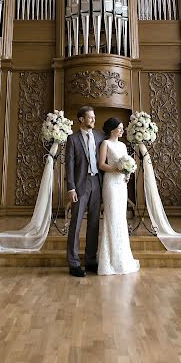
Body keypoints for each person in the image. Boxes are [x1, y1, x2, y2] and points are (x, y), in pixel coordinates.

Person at [97, 117, 140, 276]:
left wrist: (127, 173)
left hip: (122, 184)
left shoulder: (122, 145)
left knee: (121, 218)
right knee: (112, 217)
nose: (122, 130)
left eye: (122, 128)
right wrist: (117, 170)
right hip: (111, 184)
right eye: (120, 128)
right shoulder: (105, 144)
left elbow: (126, 163)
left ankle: (122, 257)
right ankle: (109, 260)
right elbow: (101, 164)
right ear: (111, 129)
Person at [65, 106, 105, 277]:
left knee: (94, 224)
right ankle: (73, 263)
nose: (93, 120)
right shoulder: (72, 139)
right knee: (75, 224)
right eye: (90, 117)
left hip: (97, 183)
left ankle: (90, 260)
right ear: (81, 119)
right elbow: (69, 165)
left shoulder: (99, 137)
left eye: (94, 117)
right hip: (81, 185)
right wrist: (71, 188)